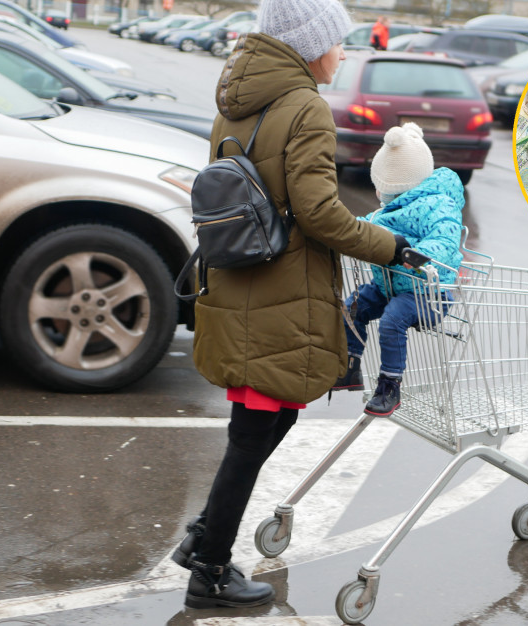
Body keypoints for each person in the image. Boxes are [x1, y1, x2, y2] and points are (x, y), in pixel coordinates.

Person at [169, 0, 407, 610]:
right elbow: (319, 213)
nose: (343, 53)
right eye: (338, 41)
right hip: (279, 291)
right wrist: (391, 248)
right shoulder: (305, 107)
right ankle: (210, 573)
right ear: (309, 45)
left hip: (238, 280)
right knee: (254, 431)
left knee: (272, 418)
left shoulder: (235, 101)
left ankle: (203, 537)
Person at [330, 122, 465, 417]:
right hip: (389, 287)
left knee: (393, 319)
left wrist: (418, 257)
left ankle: (389, 386)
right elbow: (366, 227)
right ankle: (349, 367)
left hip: (428, 293)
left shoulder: (439, 205)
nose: (379, 192)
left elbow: (445, 239)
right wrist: (341, 232)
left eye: (384, 187)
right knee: (352, 307)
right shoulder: (387, 210)